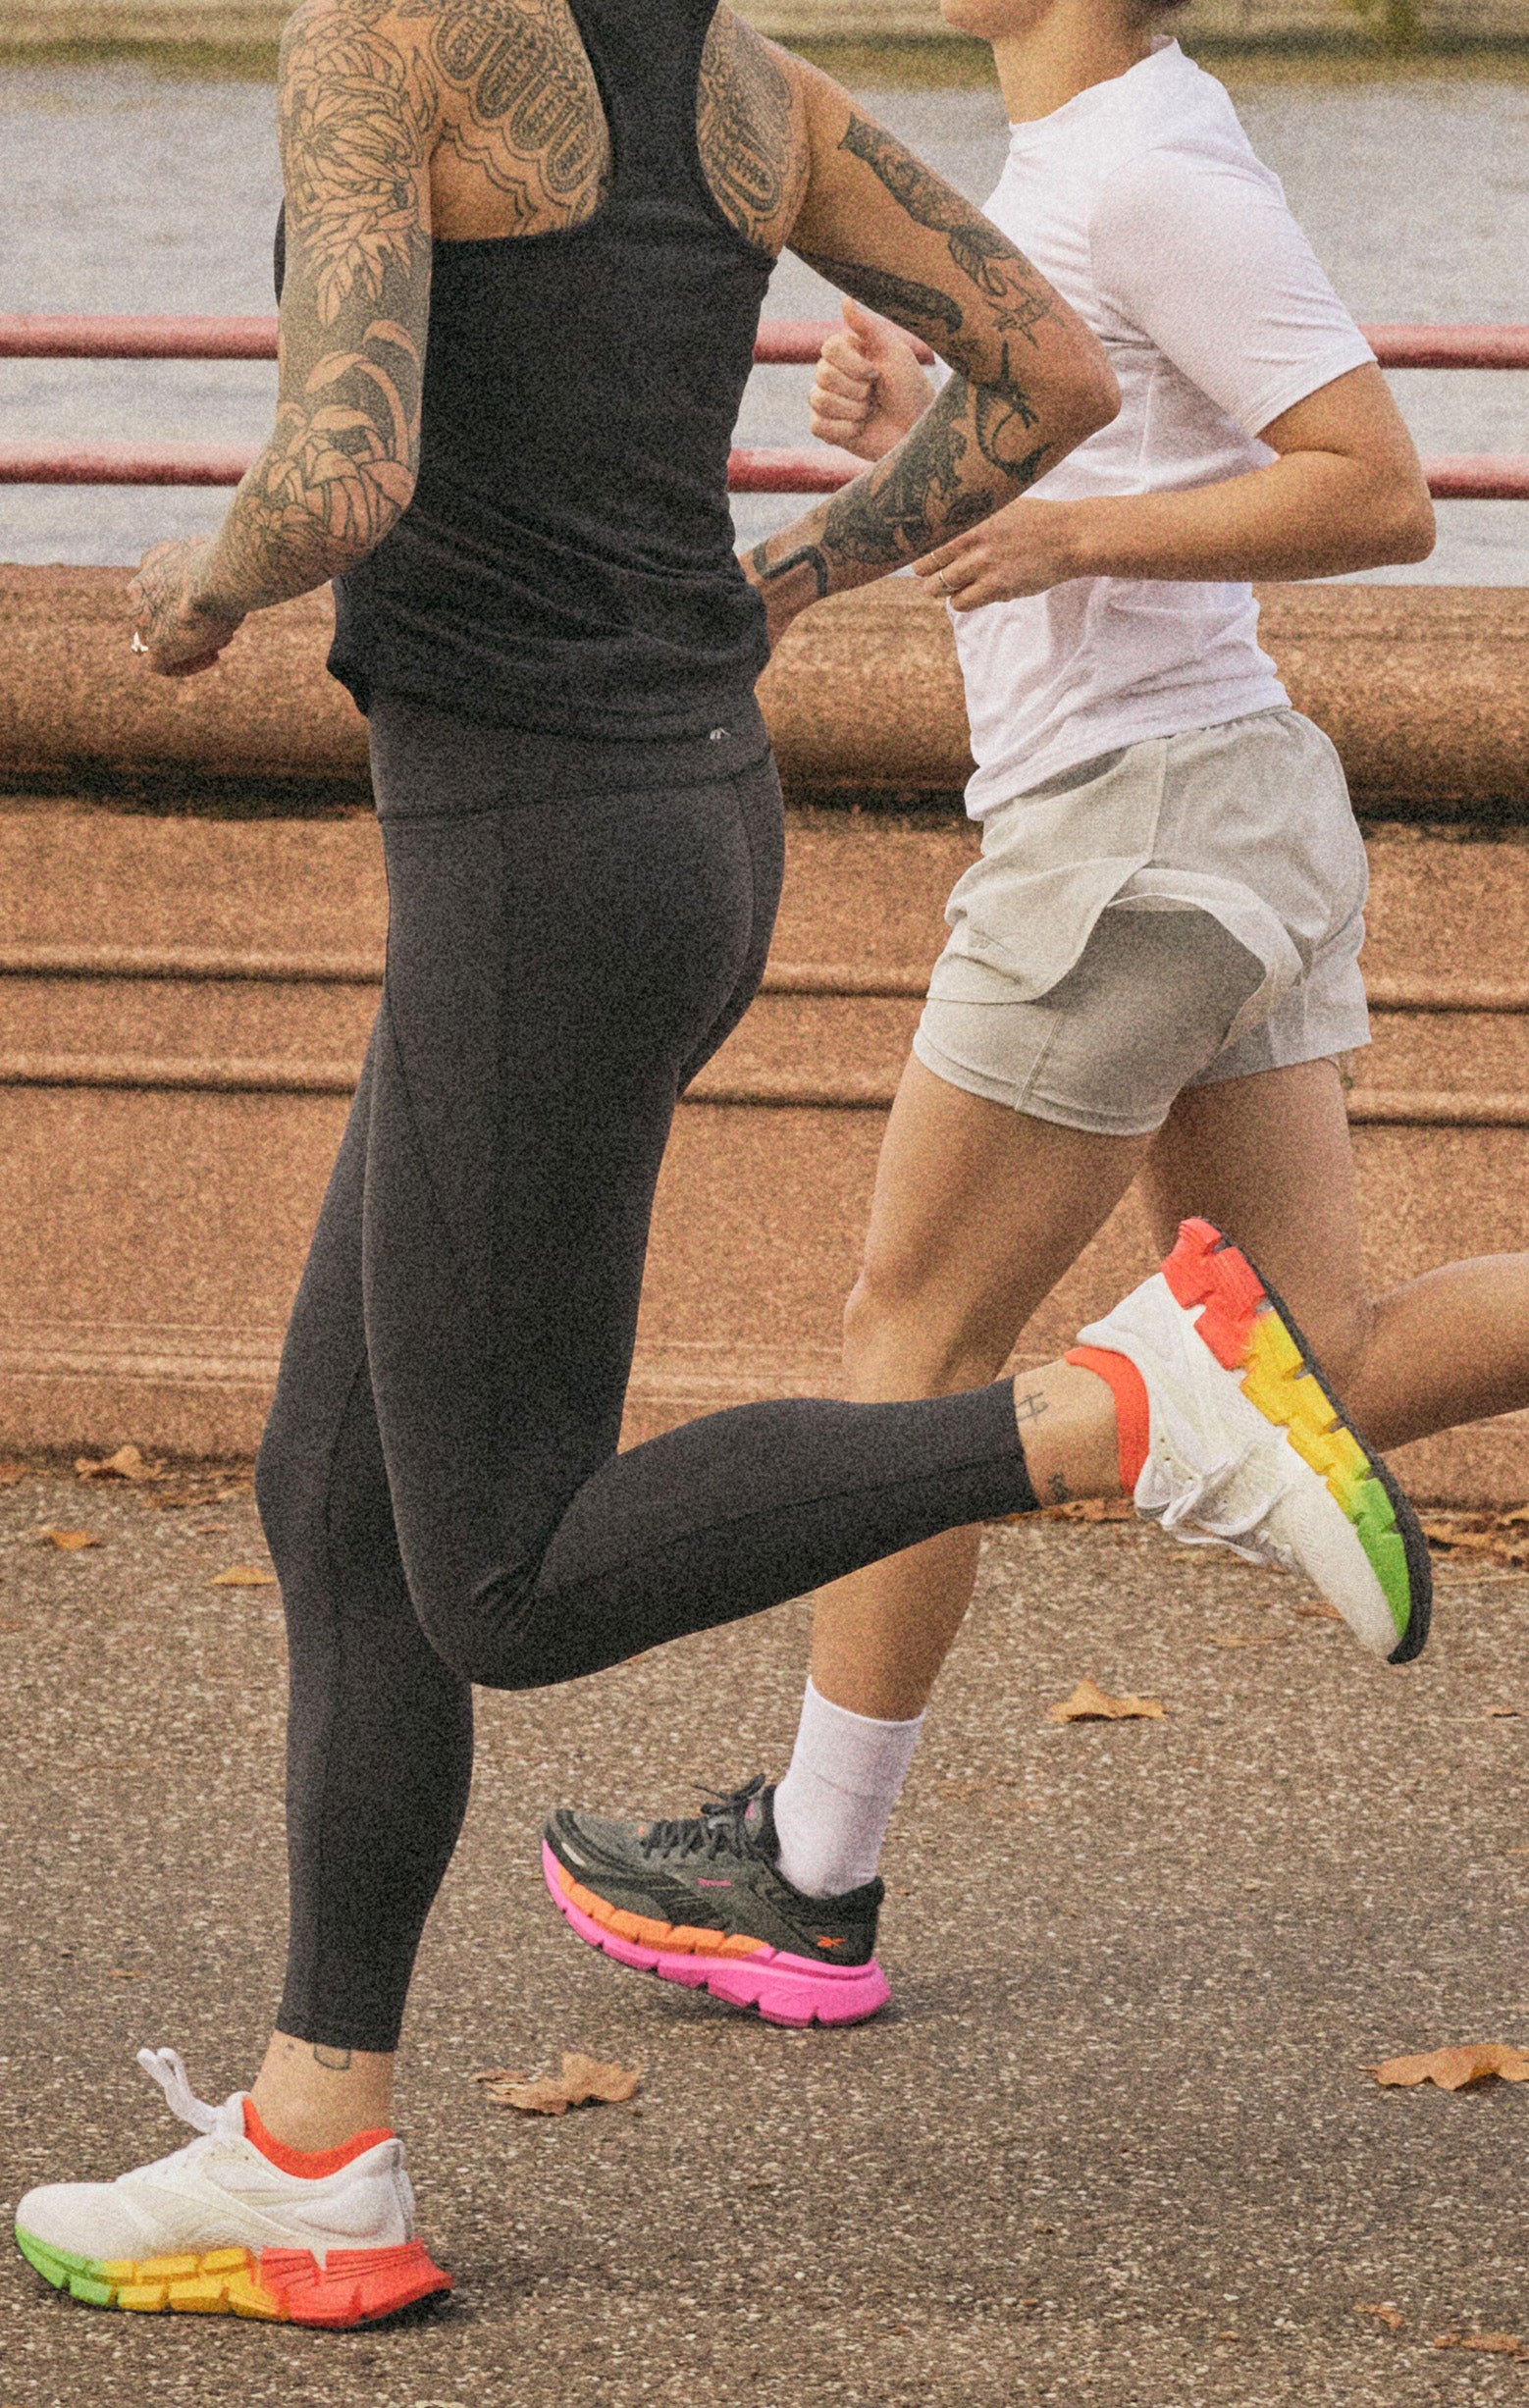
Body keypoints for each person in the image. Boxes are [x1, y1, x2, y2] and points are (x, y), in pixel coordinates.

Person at [13, 0, 1142, 2332]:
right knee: (336, 1493)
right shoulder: (746, 88)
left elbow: (346, 472)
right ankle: (316, 2147)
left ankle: (1121, 1413)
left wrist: (206, 585)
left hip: (536, 860)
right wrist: (789, 576)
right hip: (683, 821)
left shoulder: (387, 39)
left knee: (499, 1582)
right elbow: (1046, 377)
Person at [540, 0, 1529, 2031]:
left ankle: (809, 1879)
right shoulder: (1093, 152)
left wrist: (1077, 526)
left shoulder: (1146, 164)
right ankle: (808, 1867)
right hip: (1211, 811)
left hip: (1134, 830)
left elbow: (1375, 488)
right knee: (1322, 1355)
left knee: (913, 1341)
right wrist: (929, 413)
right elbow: (1129, 440)